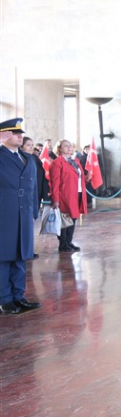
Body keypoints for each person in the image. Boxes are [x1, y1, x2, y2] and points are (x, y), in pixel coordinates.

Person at [0, 118, 41, 315]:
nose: (19, 136)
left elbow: (33, 187)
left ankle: (19, 296)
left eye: (20, 134)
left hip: (23, 213)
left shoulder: (27, 158)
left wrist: (34, 210)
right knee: (3, 257)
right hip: (4, 213)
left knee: (21, 256)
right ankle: (4, 300)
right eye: (14, 133)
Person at [50, 139, 91, 253]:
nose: (69, 148)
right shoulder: (57, 163)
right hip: (65, 195)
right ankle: (63, 243)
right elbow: (55, 183)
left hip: (77, 193)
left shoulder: (75, 161)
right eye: (66, 146)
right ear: (59, 149)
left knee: (73, 218)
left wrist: (86, 178)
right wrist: (55, 199)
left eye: (70, 146)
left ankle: (69, 241)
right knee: (64, 219)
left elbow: (77, 178)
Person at [22, 136, 47, 259]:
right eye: (28, 145)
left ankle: (29, 250)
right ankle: (26, 251)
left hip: (34, 194)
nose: (31, 147)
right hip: (26, 196)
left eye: (32, 145)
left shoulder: (33, 159)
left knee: (30, 225)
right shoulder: (21, 159)